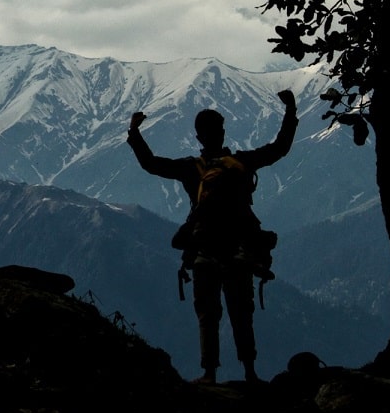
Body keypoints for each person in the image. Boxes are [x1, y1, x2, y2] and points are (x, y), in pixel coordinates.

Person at [126, 90, 298, 384]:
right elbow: (279, 148)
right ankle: (250, 373)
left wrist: (135, 133)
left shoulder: (190, 168)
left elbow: (151, 164)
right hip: (239, 250)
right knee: (241, 313)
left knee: (208, 315)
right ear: (222, 132)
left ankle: (209, 373)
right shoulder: (243, 162)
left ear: (198, 137)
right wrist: (290, 112)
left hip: (203, 248)